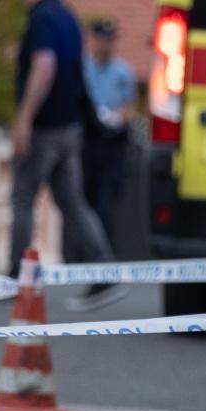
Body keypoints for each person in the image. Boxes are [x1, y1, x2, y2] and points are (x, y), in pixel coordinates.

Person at [9, 0, 122, 311]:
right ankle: (104, 272)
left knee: (22, 199)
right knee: (72, 202)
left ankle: (16, 279)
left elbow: (44, 66)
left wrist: (24, 118)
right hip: (71, 127)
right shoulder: (69, 16)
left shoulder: (41, 17)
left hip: (44, 128)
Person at [81, 18, 136, 244]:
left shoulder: (123, 72)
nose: (104, 45)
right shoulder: (82, 68)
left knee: (106, 203)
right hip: (87, 139)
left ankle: (102, 255)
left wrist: (117, 116)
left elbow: (130, 107)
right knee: (84, 201)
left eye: (109, 41)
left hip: (112, 143)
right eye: (100, 40)